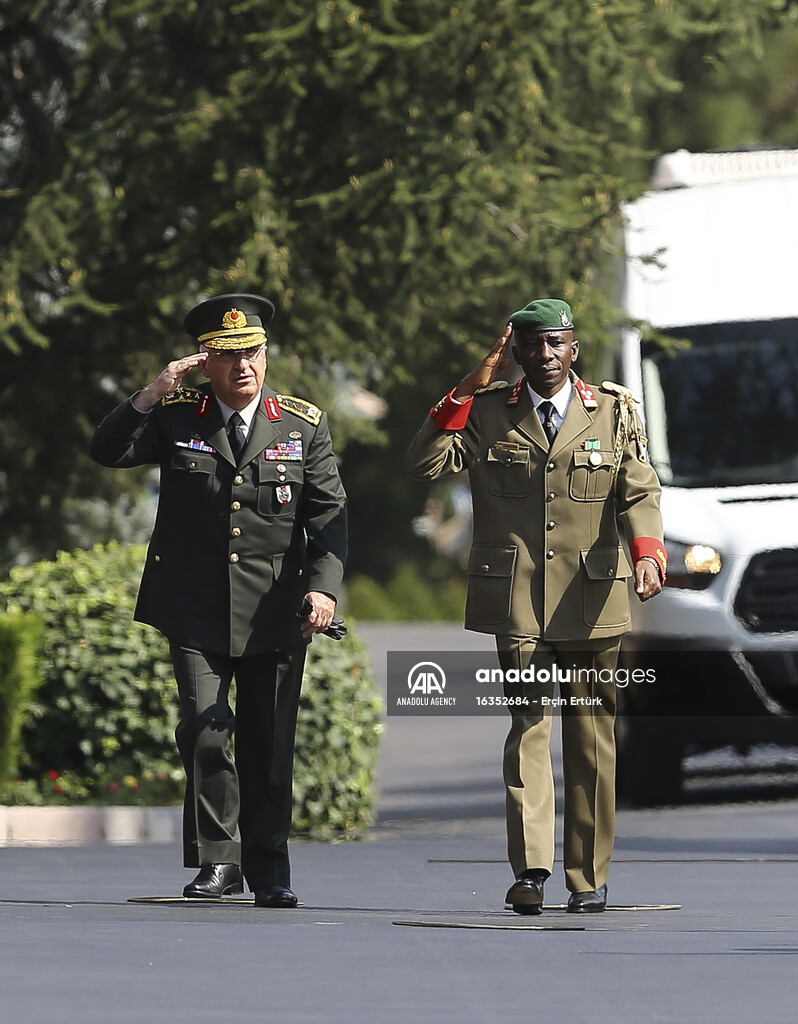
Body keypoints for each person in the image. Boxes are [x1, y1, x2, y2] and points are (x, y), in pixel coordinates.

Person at [406, 298, 667, 915]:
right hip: (519, 600)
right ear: (515, 352)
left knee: (591, 739)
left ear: (573, 347)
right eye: (531, 346)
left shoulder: (612, 412)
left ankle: (587, 876)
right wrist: (465, 391)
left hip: (593, 597)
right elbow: (422, 464)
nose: (544, 356)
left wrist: (649, 553)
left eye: (555, 344)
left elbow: (640, 490)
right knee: (528, 728)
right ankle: (531, 870)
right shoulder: (491, 412)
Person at [90, 293, 347, 908]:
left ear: (267, 355)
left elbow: (330, 514)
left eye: (253, 354)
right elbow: (107, 451)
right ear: (205, 362)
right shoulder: (179, 417)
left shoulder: (301, 425)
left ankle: (270, 868)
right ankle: (219, 861)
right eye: (227, 357)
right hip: (196, 608)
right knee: (206, 732)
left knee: (268, 743)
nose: (244, 368)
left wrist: (323, 588)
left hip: (273, 609)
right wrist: (150, 394)